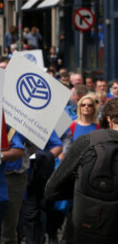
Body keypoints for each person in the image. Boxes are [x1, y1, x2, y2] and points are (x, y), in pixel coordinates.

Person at [45, 98, 118, 244]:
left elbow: (51, 189)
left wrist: (81, 189)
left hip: (83, 227)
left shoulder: (87, 141)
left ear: (108, 120)